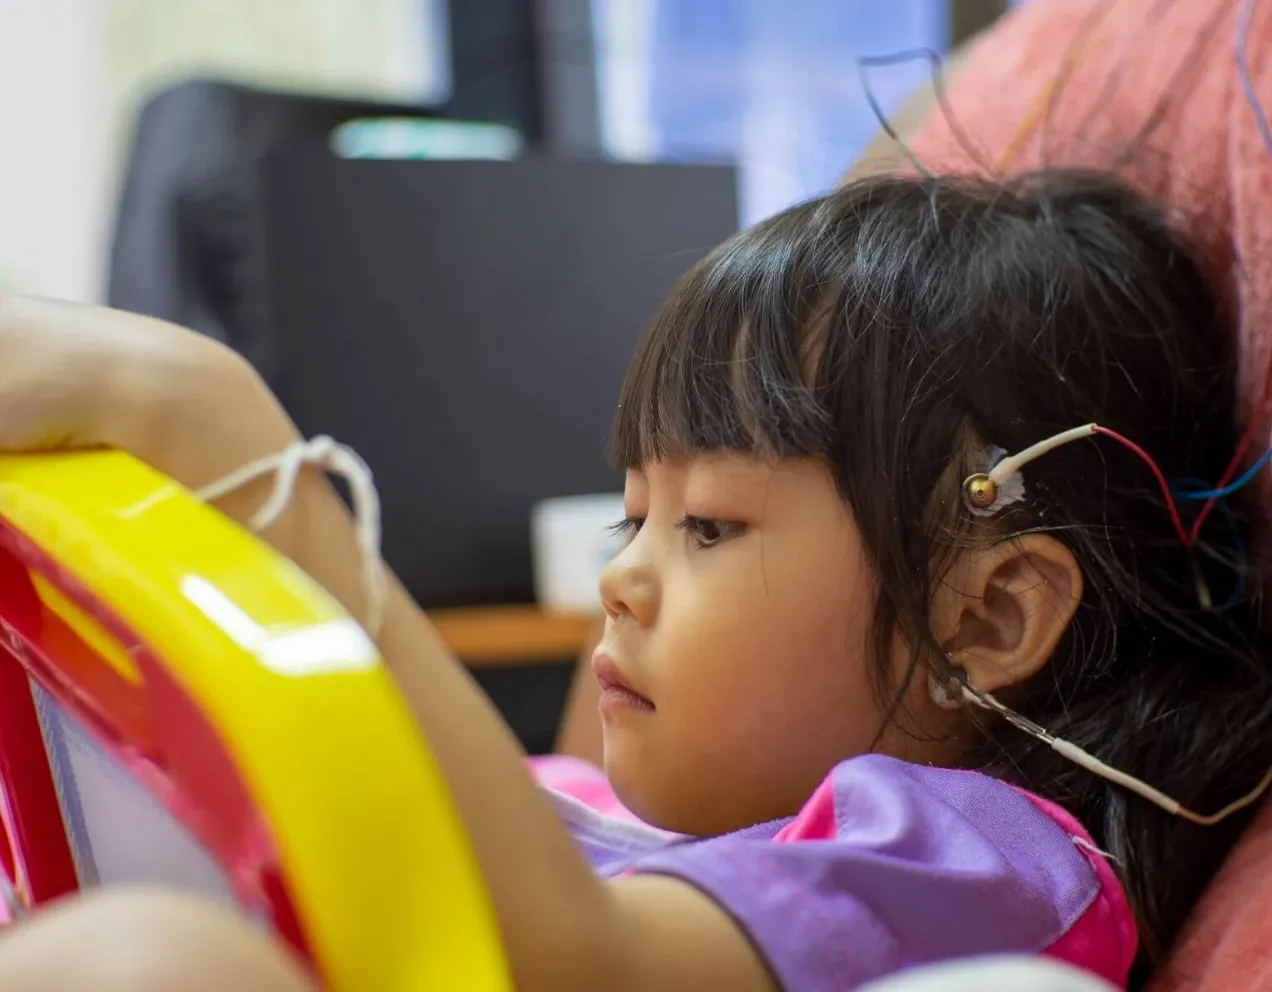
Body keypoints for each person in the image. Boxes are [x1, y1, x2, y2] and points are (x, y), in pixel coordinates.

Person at [0, 167, 1269, 991]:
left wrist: (236, 448)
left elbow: (566, 965)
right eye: (631, 516)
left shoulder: (974, 857)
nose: (625, 581)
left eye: (708, 525)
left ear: (986, 612)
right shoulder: (626, 803)